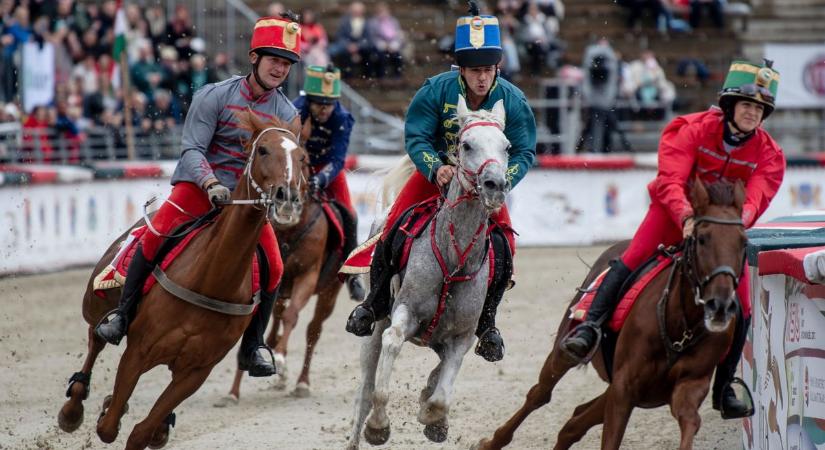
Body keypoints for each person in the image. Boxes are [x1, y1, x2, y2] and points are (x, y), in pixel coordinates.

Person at [561, 59, 786, 418]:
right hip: (672, 215)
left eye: (760, 108)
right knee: (631, 259)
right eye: (746, 105)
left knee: (741, 304)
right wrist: (685, 216)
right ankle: (589, 328)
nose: (752, 113)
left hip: (721, 228)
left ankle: (725, 385)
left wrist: (731, 224)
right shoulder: (691, 129)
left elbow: (758, 196)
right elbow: (670, 179)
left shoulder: (770, 154)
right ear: (729, 106)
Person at [94, 14, 305, 378]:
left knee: (275, 267)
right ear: (254, 57)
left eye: (286, 64)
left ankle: (253, 346)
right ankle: (122, 315)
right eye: (274, 60)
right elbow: (192, 150)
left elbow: (285, 166)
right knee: (155, 234)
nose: (280, 69)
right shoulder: (213, 95)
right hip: (198, 188)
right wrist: (210, 184)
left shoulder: (287, 114)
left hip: (247, 203)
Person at [344, 4, 537, 362]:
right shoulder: (436, 90)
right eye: (475, 70)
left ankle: (488, 323)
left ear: (497, 67)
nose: (482, 78)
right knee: (393, 225)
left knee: (505, 242)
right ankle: (374, 304)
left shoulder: (513, 99)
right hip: (438, 174)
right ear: (461, 69)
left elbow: (525, 150)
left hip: (485, 184)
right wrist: (435, 168)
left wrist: (502, 179)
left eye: (488, 70)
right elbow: (416, 137)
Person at [292, 64, 365, 301]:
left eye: (329, 104)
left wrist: (321, 179)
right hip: (298, 164)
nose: (325, 109)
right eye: (319, 104)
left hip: (328, 169)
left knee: (350, 216)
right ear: (309, 101)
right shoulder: (296, 110)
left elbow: (337, 158)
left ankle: (352, 274)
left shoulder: (342, 118)